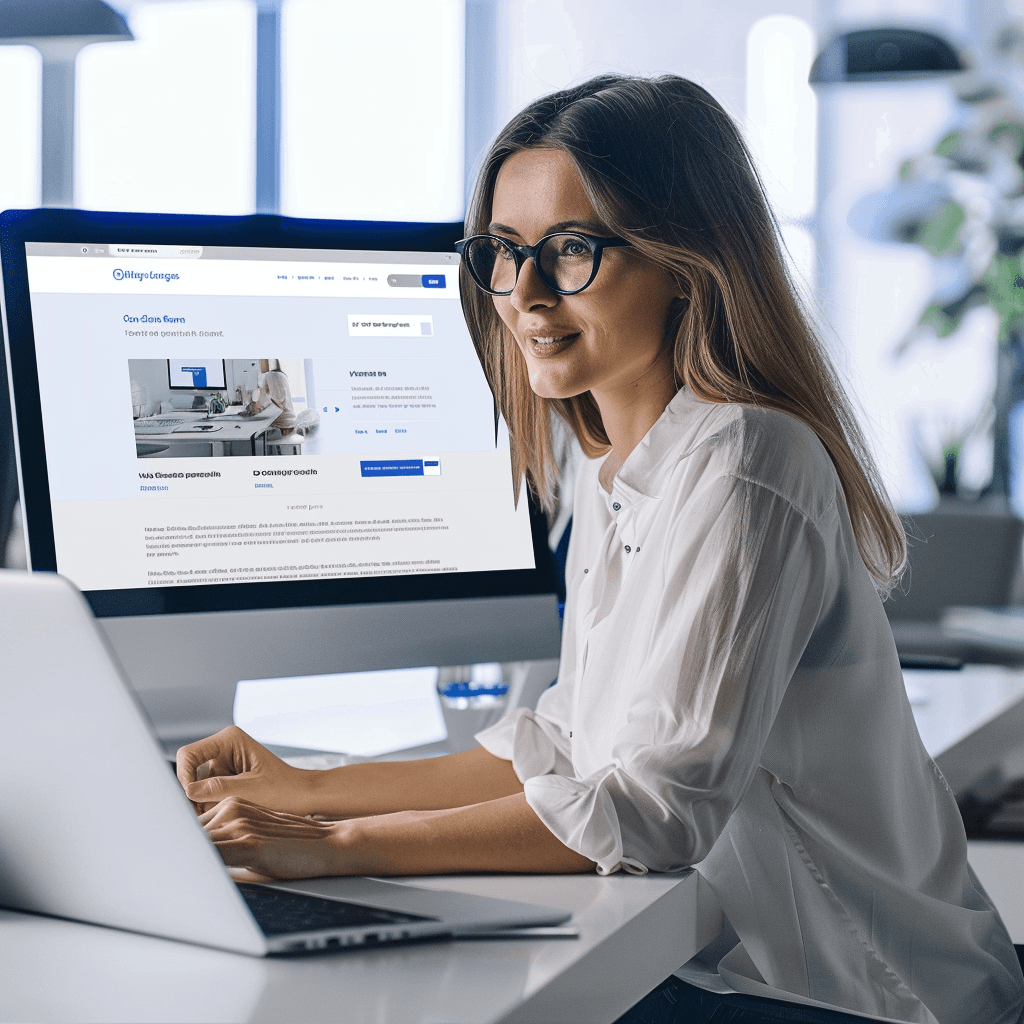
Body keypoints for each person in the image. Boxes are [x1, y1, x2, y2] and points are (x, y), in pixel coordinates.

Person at [176, 75, 1024, 1023]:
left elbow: (651, 817)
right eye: (502, 253)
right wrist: (310, 792)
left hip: (868, 995)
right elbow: (566, 750)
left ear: (685, 260)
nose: (525, 294)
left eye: (571, 249)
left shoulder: (746, 463)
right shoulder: (611, 461)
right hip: (738, 964)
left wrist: (333, 848)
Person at [245, 358, 296, 432]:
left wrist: (252, 406)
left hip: (281, 426)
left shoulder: (270, 376)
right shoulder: (282, 375)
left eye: (261, 361)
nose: (259, 364)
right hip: (291, 423)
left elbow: (260, 404)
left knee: (248, 430)